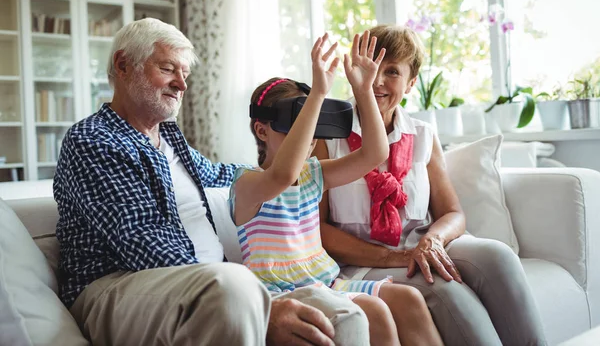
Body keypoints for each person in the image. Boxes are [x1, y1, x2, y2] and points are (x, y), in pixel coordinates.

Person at [54, 17, 371, 346]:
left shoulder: (174, 143)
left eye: (185, 74)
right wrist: (261, 303)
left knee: (340, 315)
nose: (182, 84)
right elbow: (144, 245)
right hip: (117, 286)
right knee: (235, 287)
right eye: (168, 69)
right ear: (123, 65)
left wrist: (280, 174)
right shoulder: (94, 140)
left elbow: (229, 175)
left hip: (209, 283)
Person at [313, 24, 548, 346]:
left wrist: (432, 241)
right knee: (448, 292)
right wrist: (389, 258)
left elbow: (452, 213)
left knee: (497, 254)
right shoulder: (327, 137)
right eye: (370, 67)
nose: (378, 80)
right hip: (359, 262)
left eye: (392, 71)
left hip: (421, 245)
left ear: (410, 83)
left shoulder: (423, 134)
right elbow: (316, 229)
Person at [232, 31, 444, 346]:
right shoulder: (246, 182)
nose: (309, 140)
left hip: (327, 282)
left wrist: (363, 91)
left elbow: (375, 153)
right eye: (297, 130)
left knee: (409, 299)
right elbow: (282, 175)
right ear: (261, 131)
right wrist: (318, 92)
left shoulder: (313, 175)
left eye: (313, 128)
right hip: (283, 293)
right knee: (373, 310)